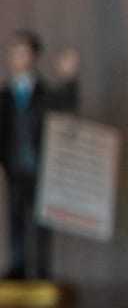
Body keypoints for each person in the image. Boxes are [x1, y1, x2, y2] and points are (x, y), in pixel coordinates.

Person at [2, 30, 78, 282]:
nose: (18, 58)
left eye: (24, 53)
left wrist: (69, 79)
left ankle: (42, 268)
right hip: (14, 166)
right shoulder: (5, 95)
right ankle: (18, 266)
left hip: (41, 166)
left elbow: (67, 105)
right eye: (15, 53)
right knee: (15, 218)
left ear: (34, 57)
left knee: (42, 220)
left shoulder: (44, 93)